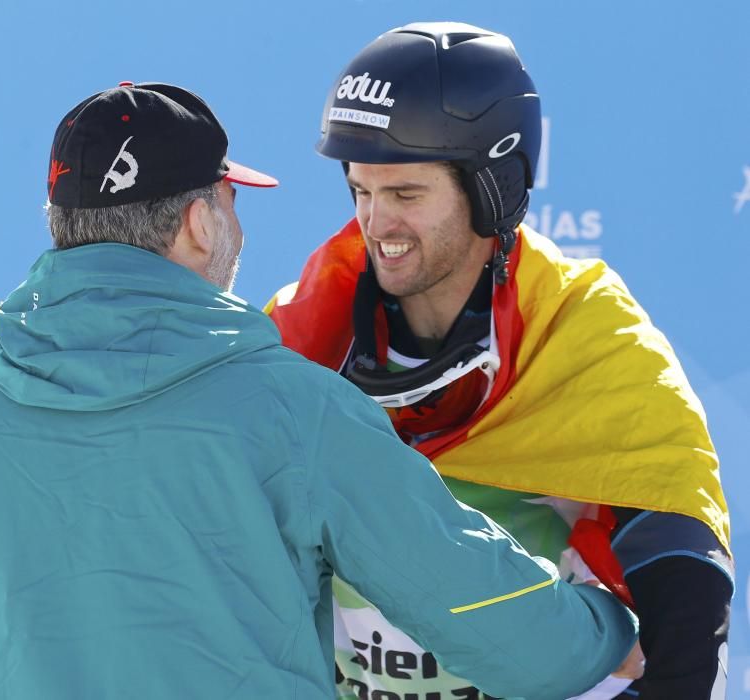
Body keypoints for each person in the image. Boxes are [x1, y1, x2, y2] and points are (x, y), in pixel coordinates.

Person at [0, 81, 638, 700]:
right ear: (201, 223)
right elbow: (511, 635)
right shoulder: (296, 413)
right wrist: (612, 622)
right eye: (230, 202)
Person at [266, 23, 732, 700]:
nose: (375, 223)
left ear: (493, 190)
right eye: (360, 191)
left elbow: (680, 568)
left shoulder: (575, 331)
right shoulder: (297, 337)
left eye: (405, 195)